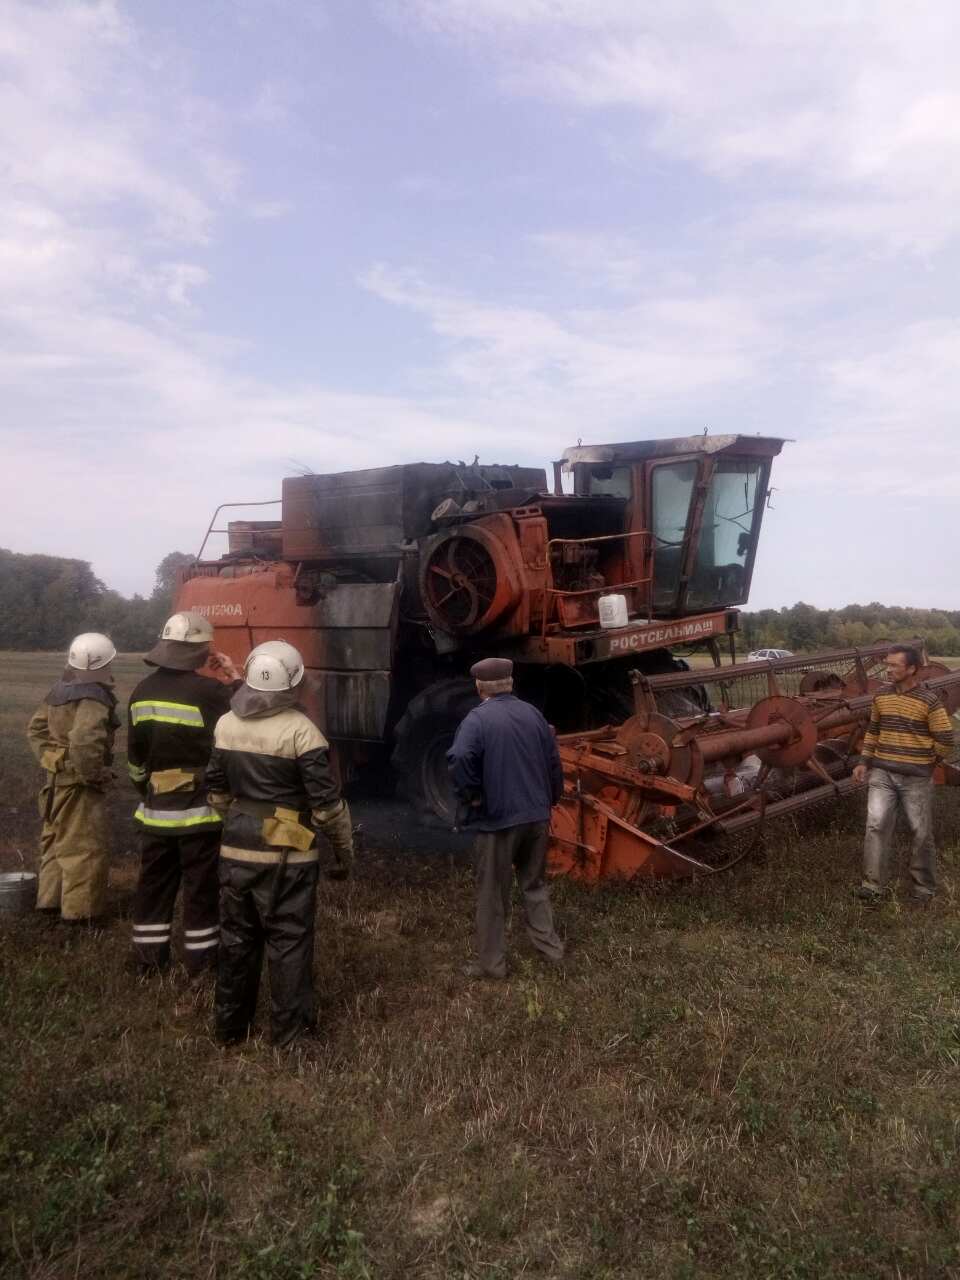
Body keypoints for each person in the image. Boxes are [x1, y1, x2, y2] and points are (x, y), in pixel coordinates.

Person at [205, 640, 355, 1047]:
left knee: (236, 938)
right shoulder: (302, 732)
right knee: (289, 939)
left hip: (235, 848)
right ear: (294, 683)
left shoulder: (225, 725)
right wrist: (343, 851)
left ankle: (230, 1029)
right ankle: (290, 1035)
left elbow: (216, 793)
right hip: (289, 856)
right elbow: (326, 808)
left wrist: (238, 824)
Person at [126, 612, 242, 976]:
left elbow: (135, 763)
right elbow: (247, 716)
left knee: (153, 887)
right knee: (200, 890)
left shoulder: (141, 691)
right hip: (198, 816)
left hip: (155, 813)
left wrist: (151, 791)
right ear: (198, 651)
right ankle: (203, 964)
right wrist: (234, 678)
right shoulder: (209, 693)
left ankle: (147, 962)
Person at [447, 657, 565, 980]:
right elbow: (553, 762)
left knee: (492, 894)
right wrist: (551, 798)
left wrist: (470, 795)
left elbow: (459, 758)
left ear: (479, 686)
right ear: (510, 683)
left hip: (498, 822)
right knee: (535, 884)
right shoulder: (533, 715)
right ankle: (551, 952)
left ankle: (492, 966)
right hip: (537, 816)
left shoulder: (477, 720)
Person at [26, 632, 119, 924]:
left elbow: (36, 730)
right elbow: (84, 741)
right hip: (78, 786)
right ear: (106, 662)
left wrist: (55, 760)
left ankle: (49, 904)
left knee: (55, 844)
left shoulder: (59, 690)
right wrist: (93, 775)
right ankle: (81, 917)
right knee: (84, 849)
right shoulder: (94, 696)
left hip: (54, 783)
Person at [852, 644, 954, 903]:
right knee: (876, 826)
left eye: (894, 665)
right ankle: (872, 887)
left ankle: (924, 889)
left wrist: (929, 763)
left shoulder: (929, 701)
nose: (888, 669)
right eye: (887, 664)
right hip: (882, 774)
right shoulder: (881, 697)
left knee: (920, 831)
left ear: (912, 669)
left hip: (916, 779)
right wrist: (864, 761)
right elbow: (873, 730)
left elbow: (945, 737)